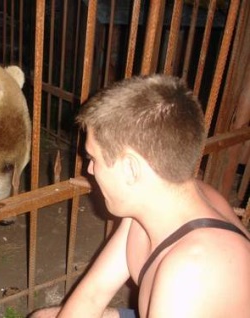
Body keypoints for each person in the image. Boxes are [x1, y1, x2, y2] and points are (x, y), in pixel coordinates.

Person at [30, 74, 250, 318]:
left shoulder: (192, 273)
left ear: (130, 169)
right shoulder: (150, 205)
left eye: (93, 159)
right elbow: (94, 293)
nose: (89, 170)